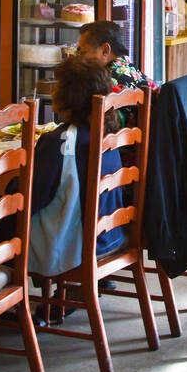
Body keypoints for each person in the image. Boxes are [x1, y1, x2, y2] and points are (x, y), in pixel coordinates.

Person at [27, 57, 128, 277]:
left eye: (57, 86)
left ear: (69, 95)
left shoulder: (59, 141)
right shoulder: (108, 133)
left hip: (73, 248)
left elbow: (31, 200)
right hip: (112, 237)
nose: (53, 91)